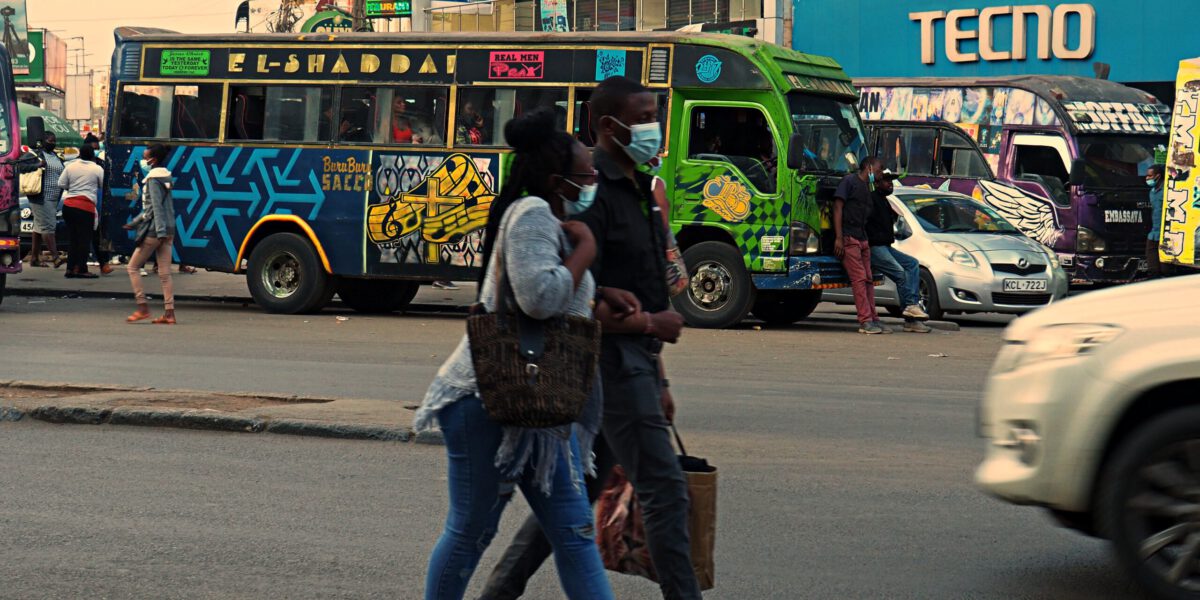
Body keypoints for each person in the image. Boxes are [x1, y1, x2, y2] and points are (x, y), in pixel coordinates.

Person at [480, 76, 700, 600]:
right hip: (607, 360)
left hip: (637, 362)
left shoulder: (644, 186)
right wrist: (649, 326)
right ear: (608, 125)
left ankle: (500, 588)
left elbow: (648, 284)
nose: (653, 127)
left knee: (581, 490)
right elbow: (582, 300)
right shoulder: (590, 189)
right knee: (666, 490)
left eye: (654, 116)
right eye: (644, 117)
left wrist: (661, 376)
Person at [413, 108, 615, 600]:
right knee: (471, 531)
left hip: (537, 408)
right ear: (557, 180)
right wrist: (587, 250)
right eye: (587, 175)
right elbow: (538, 298)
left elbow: (557, 290)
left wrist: (603, 294)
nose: (594, 182)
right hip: (487, 399)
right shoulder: (530, 215)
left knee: (574, 531)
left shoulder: (552, 217)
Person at [864, 171, 930, 333]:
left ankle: (911, 312)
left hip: (886, 246)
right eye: (887, 181)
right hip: (874, 247)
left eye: (891, 182)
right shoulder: (871, 199)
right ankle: (910, 311)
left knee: (912, 264)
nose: (890, 184)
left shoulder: (885, 201)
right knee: (900, 273)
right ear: (877, 183)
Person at [123, 144, 177, 325]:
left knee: (132, 267)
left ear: (153, 160)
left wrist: (158, 231)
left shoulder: (153, 180)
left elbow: (154, 208)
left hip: (156, 231)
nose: (143, 161)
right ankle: (169, 313)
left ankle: (142, 307)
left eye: (145, 158)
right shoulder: (166, 177)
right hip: (169, 229)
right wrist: (134, 223)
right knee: (165, 274)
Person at [835, 157, 884, 334]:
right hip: (849, 238)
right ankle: (865, 320)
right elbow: (838, 208)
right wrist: (839, 238)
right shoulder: (849, 181)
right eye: (878, 170)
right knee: (860, 279)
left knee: (868, 279)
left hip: (862, 238)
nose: (879, 174)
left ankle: (873, 318)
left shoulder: (868, 187)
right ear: (869, 168)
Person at [58, 145, 106, 279]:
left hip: (68, 206)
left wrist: (72, 187)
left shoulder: (71, 166)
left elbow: (61, 183)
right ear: (92, 156)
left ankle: (70, 268)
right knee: (84, 240)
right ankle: (81, 269)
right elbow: (103, 184)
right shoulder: (97, 168)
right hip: (85, 207)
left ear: (79, 154)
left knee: (73, 239)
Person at [25, 132, 65, 268]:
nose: (52, 143)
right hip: (41, 197)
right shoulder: (35, 154)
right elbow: (20, 167)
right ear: (42, 141)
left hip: (54, 198)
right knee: (48, 227)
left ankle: (34, 258)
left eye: (54, 141)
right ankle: (55, 257)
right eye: (49, 140)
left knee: (38, 227)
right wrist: (37, 165)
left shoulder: (56, 157)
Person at [84, 133, 114, 275]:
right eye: (93, 149)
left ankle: (99, 261)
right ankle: (96, 261)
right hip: (88, 203)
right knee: (91, 234)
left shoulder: (101, 163)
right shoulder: (96, 167)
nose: (95, 151)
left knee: (98, 232)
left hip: (96, 202)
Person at [1146, 164, 1169, 278]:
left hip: (1165, 232)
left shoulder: (1167, 191)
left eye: (1150, 176)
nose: (1147, 178)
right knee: (1152, 262)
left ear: (1158, 176)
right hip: (1154, 231)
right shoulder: (1152, 192)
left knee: (1165, 267)